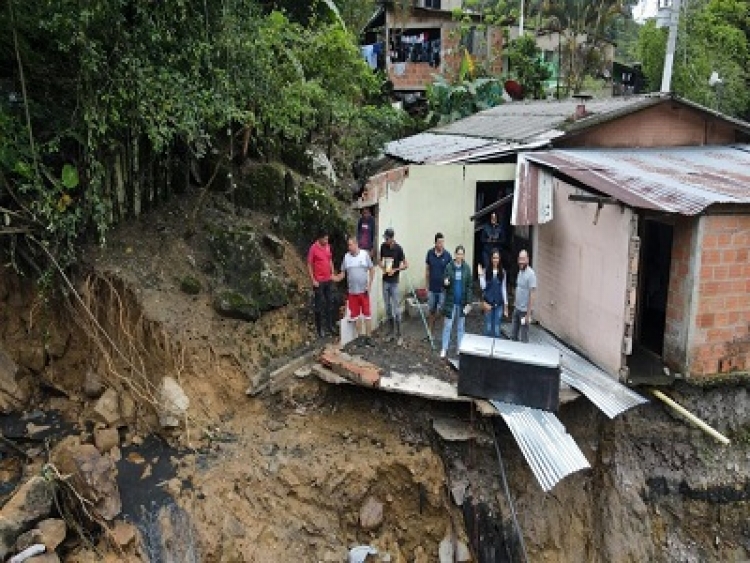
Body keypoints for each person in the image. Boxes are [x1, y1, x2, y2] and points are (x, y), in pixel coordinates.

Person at [333, 236, 375, 342]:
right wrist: (335, 278)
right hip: (352, 292)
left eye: (350, 245)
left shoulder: (364, 255)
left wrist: (369, 285)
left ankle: (369, 337)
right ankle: (360, 337)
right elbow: (343, 274)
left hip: (363, 291)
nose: (349, 247)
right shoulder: (346, 257)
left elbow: (372, 269)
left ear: (356, 244)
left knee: (367, 315)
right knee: (356, 316)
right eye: (348, 245)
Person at [440, 245, 472, 359]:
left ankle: (460, 347)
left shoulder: (467, 268)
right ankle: (444, 348)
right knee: (447, 325)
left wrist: (468, 302)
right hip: (451, 302)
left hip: (462, 302)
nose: (460, 256)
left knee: (460, 326)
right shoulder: (449, 267)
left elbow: (469, 286)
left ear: (463, 255)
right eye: (458, 253)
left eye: (462, 254)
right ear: (455, 255)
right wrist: (445, 282)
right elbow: (444, 282)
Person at [379, 227, 408, 342]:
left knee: (396, 309)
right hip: (385, 281)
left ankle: (399, 335)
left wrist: (395, 270)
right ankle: (390, 332)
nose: (385, 240)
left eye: (387, 238)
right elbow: (380, 261)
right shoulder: (383, 246)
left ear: (392, 238)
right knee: (387, 308)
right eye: (384, 238)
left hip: (394, 282)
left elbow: (406, 264)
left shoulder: (399, 249)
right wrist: (382, 267)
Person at [307, 230, 336, 338]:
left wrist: (332, 271)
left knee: (330, 302)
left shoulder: (327, 246)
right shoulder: (313, 248)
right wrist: (313, 279)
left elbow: (329, 259)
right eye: (325, 239)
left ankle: (330, 325)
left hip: (328, 279)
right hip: (319, 281)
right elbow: (309, 264)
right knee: (319, 305)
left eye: (327, 239)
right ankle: (320, 329)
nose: (326, 241)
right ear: (319, 238)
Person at [425, 233, 451, 340]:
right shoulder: (430, 253)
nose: (441, 244)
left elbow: (450, 272)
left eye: (442, 242)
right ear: (435, 243)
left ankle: (441, 333)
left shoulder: (447, 255)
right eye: (439, 242)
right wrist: (426, 286)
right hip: (432, 288)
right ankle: (430, 332)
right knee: (431, 310)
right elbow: (427, 270)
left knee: (441, 311)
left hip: (442, 289)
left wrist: (448, 280)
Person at [478, 250, 508, 338]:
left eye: (497, 258)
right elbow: (483, 286)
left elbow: (503, 288)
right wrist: (480, 275)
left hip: (498, 304)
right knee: (488, 327)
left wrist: (506, 305)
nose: (495, 260)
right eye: (494, 258)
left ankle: (495, 349)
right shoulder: (486, 271)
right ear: (491, 259)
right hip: (488, 303)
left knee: (497, 329)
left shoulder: (503, 272)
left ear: (499, 259)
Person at [511, 249, 537, 343]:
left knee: (524, 338)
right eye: (520, 259)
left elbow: (532, 294)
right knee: (513, 335)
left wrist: (528, 314)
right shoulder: (520, 272)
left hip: (524, 311)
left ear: (527, 260)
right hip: (517, 309)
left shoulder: (531, 274)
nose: (521, 261)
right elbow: (519, 288)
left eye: (523, 259)